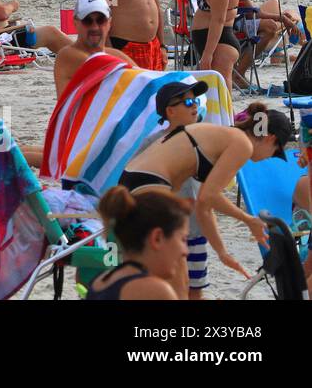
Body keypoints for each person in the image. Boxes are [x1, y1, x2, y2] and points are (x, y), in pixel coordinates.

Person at [120, 89, 294, 291]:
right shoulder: (242, 144)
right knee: (177, 278)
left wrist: (222, 252)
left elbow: (205, 205)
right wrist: (248, 220)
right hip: (149, 182)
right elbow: (208, 197)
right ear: (270, 139)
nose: (269, 158)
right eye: (275, 153)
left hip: (134, 180)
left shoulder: (224, 138)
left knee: (174, 277)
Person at [86, 187, 190, 300]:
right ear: (157, 238)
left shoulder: (99, 282)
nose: (185, 251)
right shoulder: (155, 291)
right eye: (183, 239)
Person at [52, 0, 134, 95]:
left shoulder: (115, 56)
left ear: (109, 23)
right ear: (75, 23)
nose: (95, 27)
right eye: (87, 21)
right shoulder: (67, 56)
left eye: (100, 20)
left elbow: (143, 77)